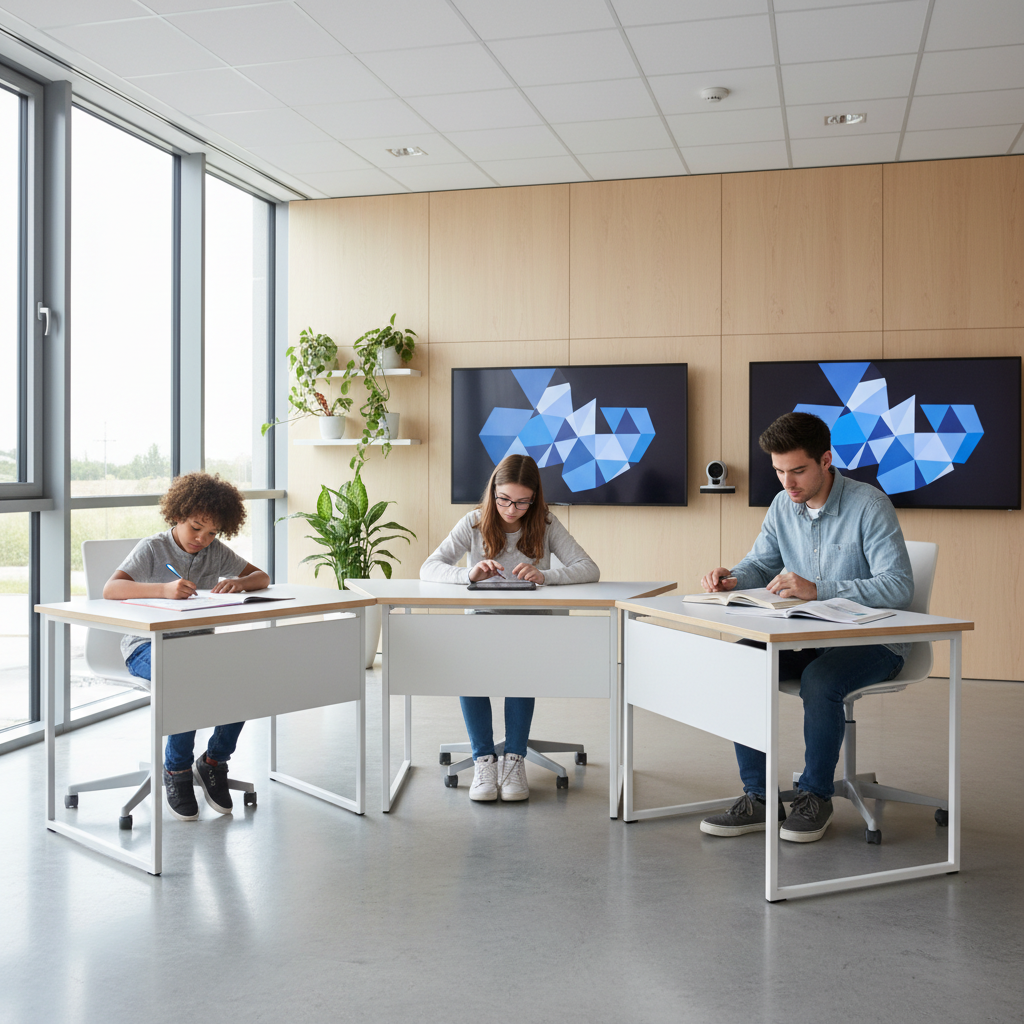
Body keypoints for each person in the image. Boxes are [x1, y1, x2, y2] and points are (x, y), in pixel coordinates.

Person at [699, 412, 913, 843]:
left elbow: (898, 586)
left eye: (797, 471)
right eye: (779, 472)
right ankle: (759, 798)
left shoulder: (869, 505)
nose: (787, 483)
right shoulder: (784, 506)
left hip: (875, 641)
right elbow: (762, 563)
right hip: (810, 635)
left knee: (820, 680)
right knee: (744, 659)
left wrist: (819, 589)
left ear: (826, 460)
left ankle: (815, 796)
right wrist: (734, 579)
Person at [421, 454, 599, 803]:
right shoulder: (473, 522)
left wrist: (544, 575)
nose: (512, 509)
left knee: (521, 668)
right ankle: (484, 760)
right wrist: (468, 575)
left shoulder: (546, 523)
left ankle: (514, 758)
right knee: (469, 671)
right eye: (504, 499)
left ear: (535, 498)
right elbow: (430, 567)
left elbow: (588, 568)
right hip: (483, 620)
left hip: (529, 624)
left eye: (522, 501)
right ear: (493, 492)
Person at [104, 472, 271, 822]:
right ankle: (177, 769)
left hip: (197, 648)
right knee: (186, 681)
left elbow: (262, 578)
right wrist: (162, 589)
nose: (201, 538)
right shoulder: (153, 548)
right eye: (195, 528)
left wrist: (238, 582)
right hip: (146, 646)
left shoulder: (213, 551)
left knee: (244, 678)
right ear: (177, 515)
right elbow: (112, 589)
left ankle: (212, 762)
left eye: (211, 533)